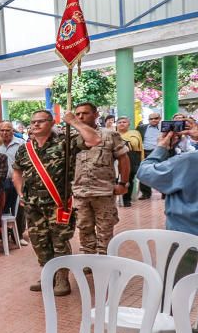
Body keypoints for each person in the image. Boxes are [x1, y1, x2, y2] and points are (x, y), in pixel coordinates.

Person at [12, 109, 101, 296]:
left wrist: (74, 121)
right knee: (39, 242)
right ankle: (47, 275)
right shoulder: (25, 148)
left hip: (57, 201)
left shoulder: (65, 142)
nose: (35, 124)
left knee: (59, 241)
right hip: (33, 203)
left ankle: (62, 278)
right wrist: (21, 193)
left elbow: (94, 140)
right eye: (33, 121)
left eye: (41, 121)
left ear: (52, 123)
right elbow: (17, 173)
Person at [138, 121, 198, 283]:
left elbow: (145, 172)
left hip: (185, 235)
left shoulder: (189, 160)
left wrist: (161, 147)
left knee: (175, 289)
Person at [71, 102, 129, 256]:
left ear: (96, 115)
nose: (81, 117)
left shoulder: (109, 135)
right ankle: (89, 261)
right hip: (80, 193)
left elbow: (123, 159)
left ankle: (105, 263)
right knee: (84, 229)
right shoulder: (72, 137)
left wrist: (123, 183)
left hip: (103, 191)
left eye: (85, 113)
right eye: (77, 114)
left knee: (105, 231)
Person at [0, 121, 28, 243]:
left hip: (18, 181)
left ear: (12, 131)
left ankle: (19, 236)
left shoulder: (21, 144)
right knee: (2, 208)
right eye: (2, 130)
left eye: (8, 130)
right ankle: (2, 235)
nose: (5, 133)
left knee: (19, 208)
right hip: (1, 181)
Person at [116, 116, 143, 207]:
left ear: (129, 124)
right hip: (115, 159)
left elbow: (136, 145)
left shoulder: (134, 133)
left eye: (124, 122)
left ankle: (126, 199)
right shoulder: (113, 134)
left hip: (131, 157)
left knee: (128, 179)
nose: (122, 124)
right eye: (119, 122)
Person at [137, 112, 162, 199]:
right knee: (144, 172)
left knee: (162, 172)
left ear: (159, 119)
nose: (153, 120)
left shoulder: (164, 128)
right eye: (151, 119)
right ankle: (146, 193)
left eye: (155, 118)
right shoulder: (141, 127)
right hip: (145, 152)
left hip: (160, 152)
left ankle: (165, 193)